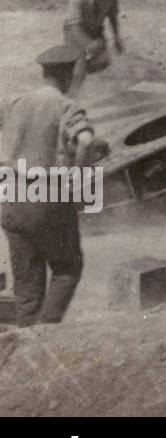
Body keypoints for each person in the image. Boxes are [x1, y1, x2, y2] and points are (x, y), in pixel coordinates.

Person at [0, 44, 108, 326]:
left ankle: (22, 344)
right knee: (67, 268)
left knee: (26, 282)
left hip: (10, 196)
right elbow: (83, 141)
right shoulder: (65, 105)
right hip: (46, 197)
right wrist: (81, 184)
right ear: (69, 74)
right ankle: (45, 334)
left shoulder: (16, 101)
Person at [62, 0, 122, 73]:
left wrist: (116, 38)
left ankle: (91, 78)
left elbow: (113, 17)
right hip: (75, 33)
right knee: (75, 64)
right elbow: (74, 26)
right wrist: (88, 44)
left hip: (96, 31)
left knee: (102, 62)